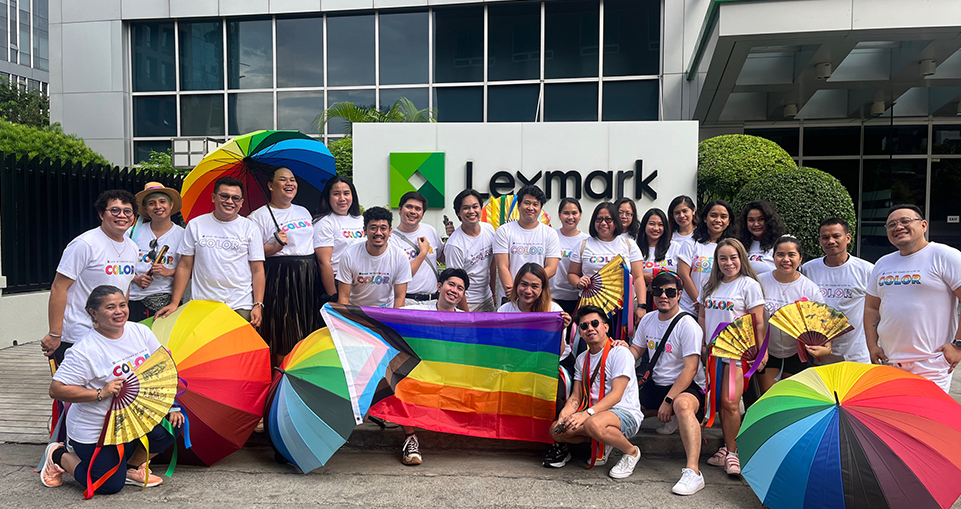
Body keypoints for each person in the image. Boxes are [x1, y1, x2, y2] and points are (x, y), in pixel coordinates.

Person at [41, 285, 183, 494]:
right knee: (108, 486)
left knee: (173, 423)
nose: (119, 311)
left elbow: (162, 367)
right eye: (110, 307)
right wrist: (100, 393)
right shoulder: (85, 350)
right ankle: (58, 455)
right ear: (93, 312)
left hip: (132, 420)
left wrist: (172, 405)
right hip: (97, 429)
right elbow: (56, 389)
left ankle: (131, 468)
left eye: (122, 305)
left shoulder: (140, 332)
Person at [620, 271, 706, 495]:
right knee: (622, 404)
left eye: (670, 291)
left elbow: (691, 369)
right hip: (656, 382)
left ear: (679, 294)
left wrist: (669, 400)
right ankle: (616, 449)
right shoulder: (648, 319)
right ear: (652, 293)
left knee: (682, 405)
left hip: (687, 386)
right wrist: (621, 351)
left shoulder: (688, 325)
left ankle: (693, 471)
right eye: (658, 291)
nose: (663, 296)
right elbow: (637, 350)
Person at [865, 204, 961, 392]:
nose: (898, 227)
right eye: (891, 224)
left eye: (905, 221)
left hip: (931, 363)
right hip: (890, 361)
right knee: (893, 412)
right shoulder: (883, 263)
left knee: (928, 411)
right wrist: (872, 346)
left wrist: (958, 345)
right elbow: (872, 308)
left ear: (923, 225)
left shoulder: (944, 256)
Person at [41, 190, 140, 364]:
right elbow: (59, 287)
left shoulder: (132, 247)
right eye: (115, 210)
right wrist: (55, 333)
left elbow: (125, 288)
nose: (122, 215)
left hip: (109, 333)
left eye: (127, 211)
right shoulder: (85, 244)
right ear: (101, 214)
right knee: (75, 381)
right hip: (78, 333)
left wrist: (120, 325)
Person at [547, 306, 644, 480]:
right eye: (584, 326)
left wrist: (586, 414)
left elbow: (617, 395)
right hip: (595, 414)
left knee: (593, 423)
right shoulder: (582, 358)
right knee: (556, 430)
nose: (590, 328)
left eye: (595, 323)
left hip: (624, 412)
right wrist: (565, 415)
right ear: (580, 333)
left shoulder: (620, 352)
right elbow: (576, 396)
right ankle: (603, 441)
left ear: (605, 327)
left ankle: (631, 452)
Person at [157, 177, 266, 326]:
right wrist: (175, 303)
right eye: (224, 196)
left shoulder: (250, 228)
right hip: (202, 304)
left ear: (241, 202)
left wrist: (258, 304)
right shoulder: (196, 225)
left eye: (235, 198)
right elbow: (185, 266)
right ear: (214, 197)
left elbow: (258, 270)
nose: (230, 201)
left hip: (239, 304)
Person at [698, 238, 765, 476]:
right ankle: (728, 447)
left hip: (738, 354)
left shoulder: (749, 285)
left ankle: (733, 454)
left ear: (741, 258)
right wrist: (703, 345)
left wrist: (761, 352)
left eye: (733, 257)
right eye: (723, 258)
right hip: (714, 354)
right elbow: (702, 317)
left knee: (730, 402)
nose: (728, 263)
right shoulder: (709, 285)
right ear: (716, 261)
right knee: (718, 403)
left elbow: (758, 322)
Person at [395, 268, 470, 465]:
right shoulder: (419, 311)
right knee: (397, 380)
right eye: (451, 284)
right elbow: (390, 316)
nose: (454, 290)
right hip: (423, 375)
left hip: (454, 379)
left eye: (460, 288)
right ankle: (410, 439)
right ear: (439, 286)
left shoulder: (468, 321)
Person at [248, 167, 322, 365]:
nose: (290, 183)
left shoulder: (303, 210)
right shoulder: (258, 216)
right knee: (284, 328)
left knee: (307, 326)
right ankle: (282, 372)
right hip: (281, 275)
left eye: (292, 179)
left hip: (308, 274)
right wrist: (274, 246)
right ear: (271, 186)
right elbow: (252, 253)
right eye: (283, 179)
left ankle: (304, 368)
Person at [756, 236, 826, 393]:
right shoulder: (759, 282)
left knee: (790, 398)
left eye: (791, 255)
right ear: (773, 257)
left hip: (797, 353)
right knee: (770, 399)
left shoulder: (809, 288)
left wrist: (826, 348)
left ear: (800, 258)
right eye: (780, 254)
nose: (786, 259)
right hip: (767, 351)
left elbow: (822, 322)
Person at [801, 218, 873, 364]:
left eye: (836, 236)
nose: (831, 241)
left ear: (848, 238)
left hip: (856, 353)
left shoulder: (866, 270)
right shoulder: (808, 269)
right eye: (825, 237)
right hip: (819, 353)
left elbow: (876, 309)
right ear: (820, 241)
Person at [568, 202, 647, 327]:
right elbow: (572, 273)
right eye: (599, 219)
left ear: (616, 221)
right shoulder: (584, 244)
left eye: (608, 219)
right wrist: (578, 282)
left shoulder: (628, 245)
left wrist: (642, 306)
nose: (603, 223)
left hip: (621, 307)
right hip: (589, 306)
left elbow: (638, 278)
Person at [493, 186, 561, 304]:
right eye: (527, 203)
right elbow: (502, 266)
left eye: (535, 204)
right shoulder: (504, 231)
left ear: (540, 208)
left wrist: (530, 288)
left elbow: (551, 268)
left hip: (537, 296)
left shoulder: (550, 233)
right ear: (518, 205)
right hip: (510, 296)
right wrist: (514, 292)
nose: (531, 208)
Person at [127, 183, 185, 322]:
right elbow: (119, 263)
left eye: (162, 201)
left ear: (171, 205)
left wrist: (170, 272)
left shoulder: (183, 235)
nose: (158, 206)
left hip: (167, 302)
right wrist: (135, 278)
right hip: (134, 300)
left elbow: (191, 269)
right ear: (145, 208)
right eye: (151, 203)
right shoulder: (132, 232)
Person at [337, 207, 411, 308]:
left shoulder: (400, 256)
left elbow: (399, 298)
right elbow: (343, 297)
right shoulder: (349, 255)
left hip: (386, 309)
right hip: (356, 309)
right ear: (365, 230)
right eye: (373, 228)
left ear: (390, 231)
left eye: (383, 228)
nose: (378, 233)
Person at [676, 199, 735, 315]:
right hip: (690, 308)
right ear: (705, 218)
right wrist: (699, 302)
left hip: (718, 309)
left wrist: (708, 305)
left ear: (729, 221)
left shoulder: (732, 247)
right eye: (713, 215)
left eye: (723, 217)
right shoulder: (691, 243)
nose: (718, 220)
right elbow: (683, 275)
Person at [314, 176, 365, 302]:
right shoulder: (324, 222)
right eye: (336, 194)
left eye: (346, 193)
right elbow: (324, 263)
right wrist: (333, 295)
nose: (342, 198)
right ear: (328, 197)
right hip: (339, 280)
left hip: (363, 280)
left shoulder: (361, 220)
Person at [445, 189, 497, 312]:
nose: (471, 211)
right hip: (467, 302)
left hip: (487, 298)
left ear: (481, 208)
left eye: (475, 206)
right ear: (458, 213)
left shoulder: (489, 229)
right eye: (466, 208)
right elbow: (455, 283)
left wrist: (493, 293)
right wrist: (466, 314)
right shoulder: (454, 245)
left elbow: (492, 264)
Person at [390, 191, 445, 307]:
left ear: (422, 214)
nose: (413, 212)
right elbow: (401, 275)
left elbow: (441, 257)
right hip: (407, 301)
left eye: (418, 209)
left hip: (433, 300)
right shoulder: (391, 239)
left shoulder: (430, 230)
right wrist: (423, 253)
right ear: (400, 210)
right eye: (409, 207)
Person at [551, 198, 589, 316]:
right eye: (566, 213)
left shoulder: (587, 240)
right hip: (552, 297)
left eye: (574, 213)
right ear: (559, 215)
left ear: (580, 215)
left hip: (577, 297)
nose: (570, 217)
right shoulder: (551, 236)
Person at [638, 207, 680, 311]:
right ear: (644, 225)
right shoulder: (635, 247)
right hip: (641, 299)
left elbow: (681, 274)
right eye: (652, 224)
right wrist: (642, 276)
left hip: (668, 298)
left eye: (660, 225)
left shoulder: (674, 247)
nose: (656, 228)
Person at [737, 200, 785, 275]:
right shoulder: (740, 245)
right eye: (751, 220)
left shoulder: (781, 244)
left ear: (769, 221)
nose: (756, 224)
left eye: (761, 219)